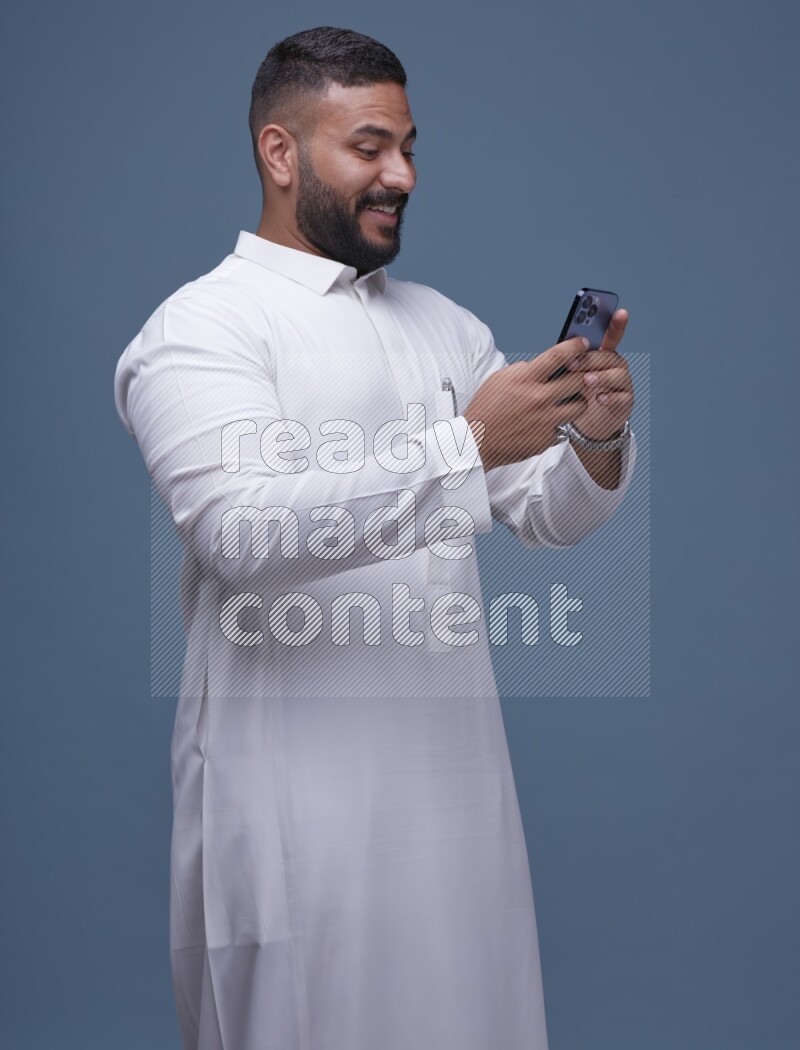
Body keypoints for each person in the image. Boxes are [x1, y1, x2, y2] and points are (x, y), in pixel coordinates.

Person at [113, 25, 636, 1050]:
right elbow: (241, 532)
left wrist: (599, 438)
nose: (398, 174)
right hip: (295, 822)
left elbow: (548, 512)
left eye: (407, 146)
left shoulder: (442, 325)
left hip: (457, 812)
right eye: (366, 146)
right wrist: (468, 442)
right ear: (279, 153)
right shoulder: (200, 331)